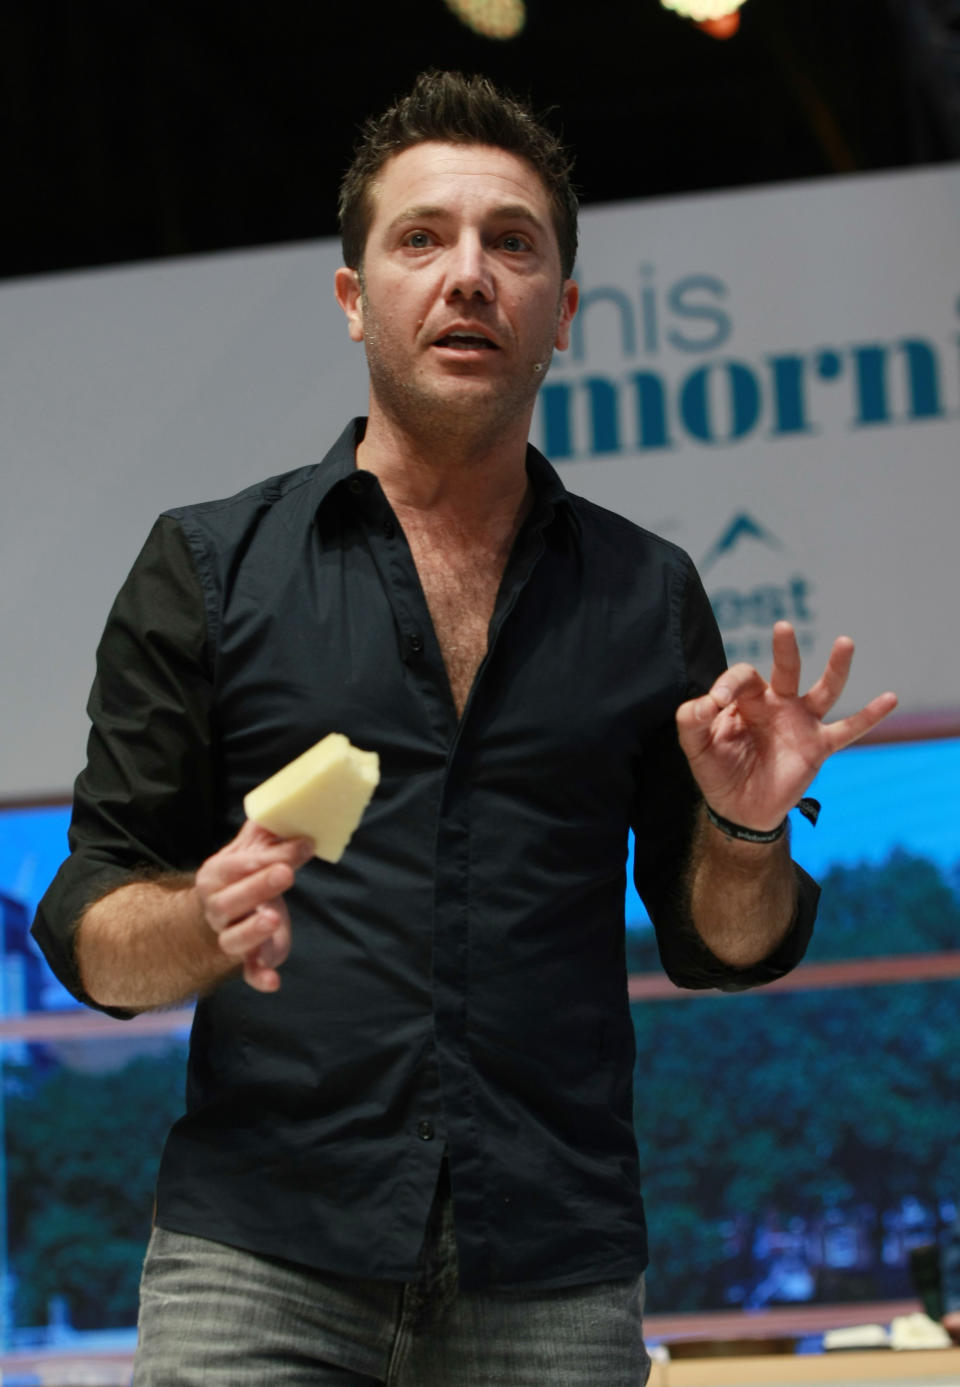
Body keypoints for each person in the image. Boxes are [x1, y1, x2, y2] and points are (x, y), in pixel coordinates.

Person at [32, 70, 897, 1387]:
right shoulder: (210, 566)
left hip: (552, 1275)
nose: (469, 273)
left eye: (513, 243)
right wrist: (197, 921)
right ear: (352, 297)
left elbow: (727, 947)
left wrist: (743, 823)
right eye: (422, 237)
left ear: (563, 314)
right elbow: (93, 926)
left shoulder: (646, 591)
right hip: (260, 1262)